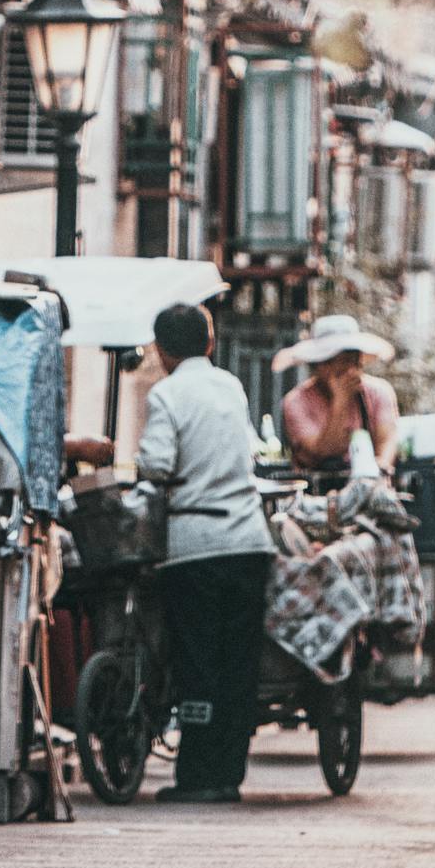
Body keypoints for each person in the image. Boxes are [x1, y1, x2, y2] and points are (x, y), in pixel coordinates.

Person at [135, 303, 277, 804]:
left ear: (161, 351)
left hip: (196, 548)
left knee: (197, 662)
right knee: (238, 662)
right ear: (211, 343)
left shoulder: (167, 394)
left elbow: (155, 464)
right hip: (249, 543)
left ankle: (196, 777)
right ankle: (228, 775)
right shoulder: (231, 388)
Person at [274, 315, 401, 475]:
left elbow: (387, 441)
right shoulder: (296, 401)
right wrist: (340, 401)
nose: (351, 371)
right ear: (319, 364)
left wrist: (377, 468)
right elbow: (322, 452)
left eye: (353, 361)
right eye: (341, 363)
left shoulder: (378, 392)